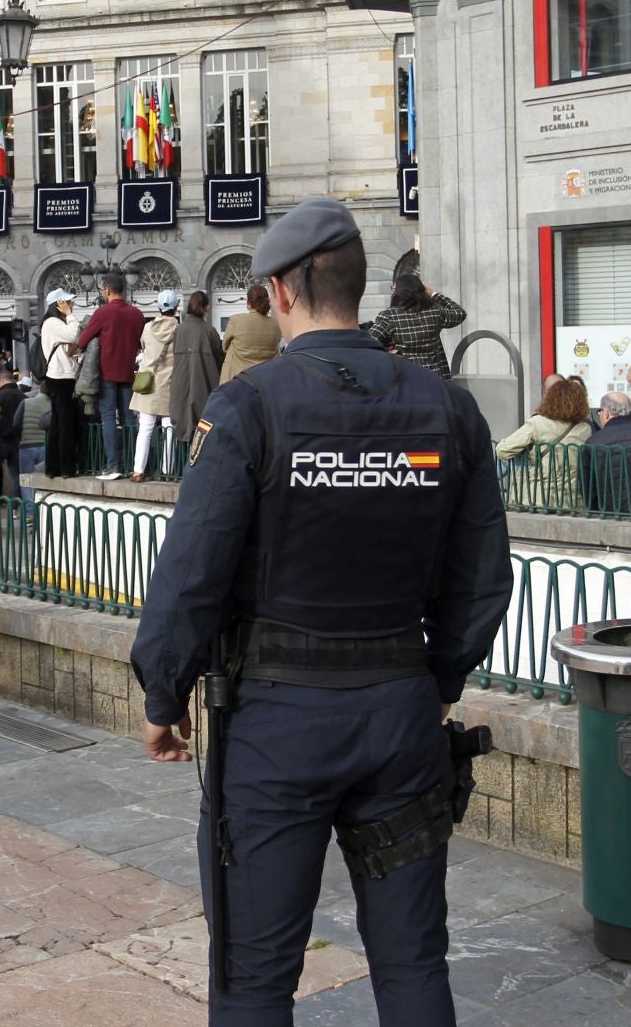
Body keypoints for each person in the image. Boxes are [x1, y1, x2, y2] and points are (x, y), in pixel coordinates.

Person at [130, 198, 512, 1027]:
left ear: (281, 290)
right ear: (356, 284)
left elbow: (191, 574)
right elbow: (482, 573)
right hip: (400, 711)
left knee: (255, 974)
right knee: (413, 962)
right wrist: (443, 679)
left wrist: (164, 694)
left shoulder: (249, 407)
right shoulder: (447, 408)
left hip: (277, 725)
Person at [77, 273, 146, 480]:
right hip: (128, 372)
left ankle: (112, 465)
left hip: (106, 373)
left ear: (107, 289)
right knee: (129, 418)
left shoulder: (103, 312)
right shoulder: (136, 314)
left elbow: (82, 341)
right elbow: (141, 343)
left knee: (108, 417)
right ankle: (132, 464)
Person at [494, 378, 593, 511]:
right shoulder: (586, 429)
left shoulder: (538, 423)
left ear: (550, 399)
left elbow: (502, 450)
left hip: (538, 498)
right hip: (573, 501)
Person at [367, 274, 467, 377]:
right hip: (435, 379)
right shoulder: (434, 312)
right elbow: (459, 313)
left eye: (393, 289)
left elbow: (367, 343)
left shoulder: (390, 316)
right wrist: (434, 294)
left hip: (406, 379)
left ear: (398, 292)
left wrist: (386, 353)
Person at [129, 290, 181, 483]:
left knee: (145, 428)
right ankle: (167, 470)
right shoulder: (179, 329)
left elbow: (144, 347)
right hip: (169, 383)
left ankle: (138, 471)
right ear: (176, 307)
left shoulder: (148, 327)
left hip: (148, 383)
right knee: (169, 428)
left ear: (158, 307)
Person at [171, 289, 224, 449]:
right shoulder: (209, 331)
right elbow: (220, 360)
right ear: (206, 307)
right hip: (204, 388)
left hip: (180, 389)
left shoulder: (179, 330)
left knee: (184, 440)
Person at [40, 288, 83, 478]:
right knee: (65, 423)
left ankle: (54, 467)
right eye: (67, 302)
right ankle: (66, 467)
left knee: (59, 422)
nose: (71, 305)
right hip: (60, 377)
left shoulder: (54, 324)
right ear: (59, 304)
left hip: (60, 376)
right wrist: (70, 315)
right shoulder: (52, 322)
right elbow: (73, 334)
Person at [220, 283, 281, 383]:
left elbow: (225, 346)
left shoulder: (236, 320)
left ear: (248, 302)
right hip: (265, 381)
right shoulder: (276, 324)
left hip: (237, 379)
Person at [13, 378, 51, 508]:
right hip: (46, 446)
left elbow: (16, 423)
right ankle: (42, 508)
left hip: (27, 446)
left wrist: (22, 438)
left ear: (40, 389)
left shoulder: (25, 402)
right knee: (44, 479)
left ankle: (30, 511)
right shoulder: (54, 405)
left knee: (27, 479)